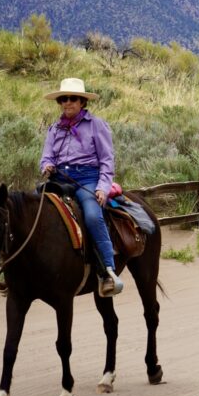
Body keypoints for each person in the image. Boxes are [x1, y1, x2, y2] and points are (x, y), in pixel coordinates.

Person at [40, 78, 123, 297]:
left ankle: (108, 271)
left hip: (87, 179)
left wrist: (103, 187)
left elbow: (107, 160)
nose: (67, 102)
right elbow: (46, 156)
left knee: (93, 216)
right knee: (30, 208)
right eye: (63, 99)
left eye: (72, 98)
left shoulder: (96, 125)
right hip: (59, 178)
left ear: (82, 102)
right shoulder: (54, 128)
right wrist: (46, 165)